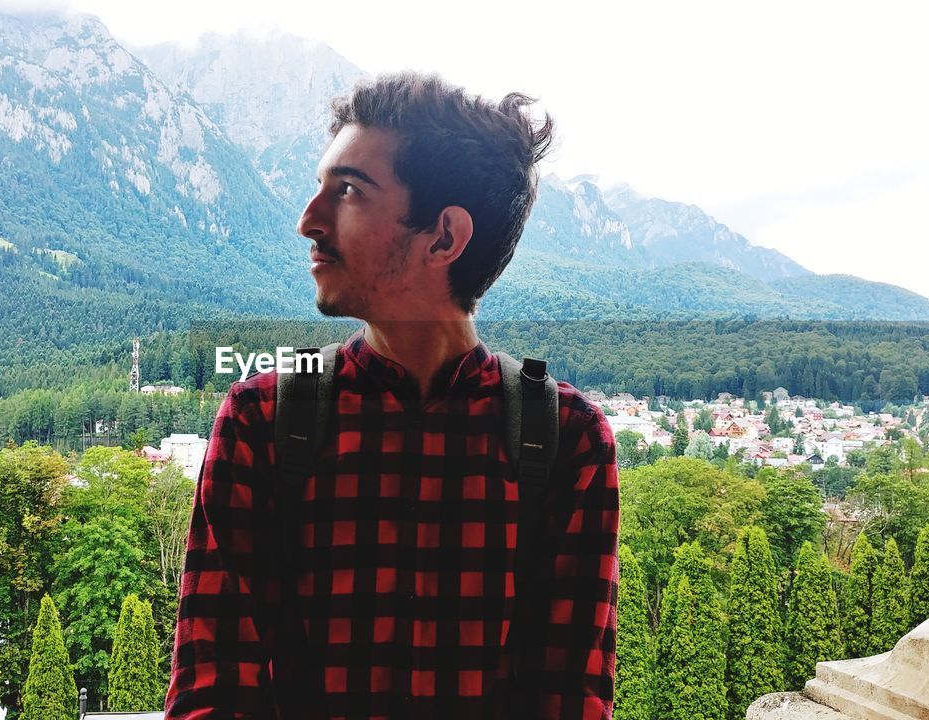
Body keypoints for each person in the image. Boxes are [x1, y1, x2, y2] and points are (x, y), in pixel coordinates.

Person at [166, 73, 618, 719]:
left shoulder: (566, 440)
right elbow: (211, 695)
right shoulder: (259, 422)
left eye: (347, 191)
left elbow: (570, 703)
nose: (307, 221)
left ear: (443, 237)